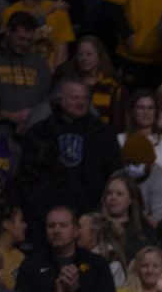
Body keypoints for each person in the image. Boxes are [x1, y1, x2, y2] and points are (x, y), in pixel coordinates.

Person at [22, 76, 121, 214]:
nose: (80, 102)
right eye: (74, 98)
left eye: (84, 98)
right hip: (48, 212)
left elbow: (114, 173)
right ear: (60, 100)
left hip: (92, 212)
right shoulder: (40, 133)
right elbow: (29, 175)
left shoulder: (103, 133)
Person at [0, 12, 52, 137]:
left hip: (32, 132)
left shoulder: (39, 63)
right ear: (8, 32)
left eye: (29, 40)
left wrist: (32, 119)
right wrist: (11, 116)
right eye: (21, 39)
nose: (25, 44)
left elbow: (46, 99)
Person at [120, 90, 162, 177]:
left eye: (150, 108)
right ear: (132, 111)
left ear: (156, 112)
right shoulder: (120, 140)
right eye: (141, 108)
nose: (146, 112)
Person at [64, 37, 125, 128]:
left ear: (99, 57)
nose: (84, 58)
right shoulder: (68, 85)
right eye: (81, 55)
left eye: (89, 54)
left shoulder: (112, 87)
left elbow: (118, 121)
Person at [121, 133, 162, 225]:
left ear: (150, 163)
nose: (132, 168)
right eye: (129, 163)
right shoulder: (119, 176)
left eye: (137, 164)